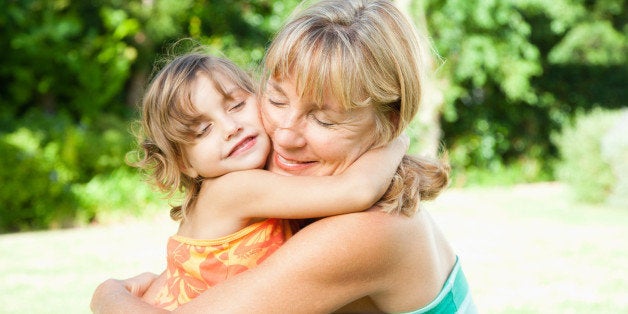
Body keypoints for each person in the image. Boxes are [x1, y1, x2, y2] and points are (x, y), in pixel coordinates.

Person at [91, 0, 477, 313]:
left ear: (388, 122)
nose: (285, 135)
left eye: (324, 119)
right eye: (276, 99)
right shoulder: (285, 204)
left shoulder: (370, 231)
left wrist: (108, 296)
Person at [125, 51, 407, 310]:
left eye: (236, 105)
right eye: (203, 130)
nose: (230, 127)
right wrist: (397, 139)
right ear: (185, 163)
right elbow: (356, 191)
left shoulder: (239, 189)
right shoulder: (235, 189)